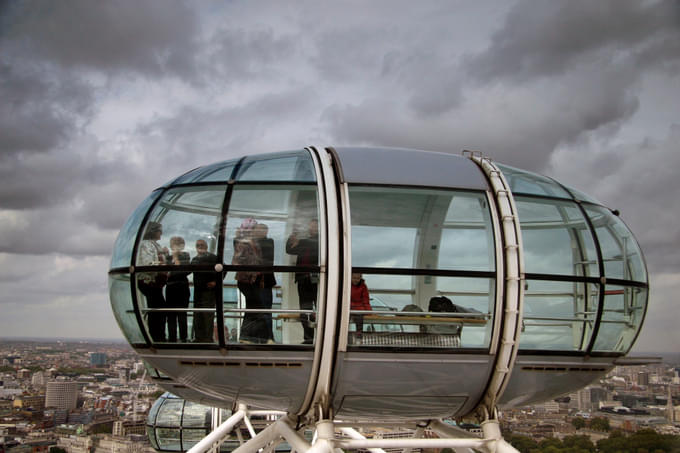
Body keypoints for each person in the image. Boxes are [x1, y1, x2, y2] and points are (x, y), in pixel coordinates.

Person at [286, 219, 319, 344]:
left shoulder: (321, 239)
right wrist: (292, 236)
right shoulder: (304, 240)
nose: (313, 229)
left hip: (317, 279)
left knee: (320, 308)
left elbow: (315, 243)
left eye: (315, 227)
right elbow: (289, 249)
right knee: (305, 310)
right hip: (302, 278)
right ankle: (308, 339)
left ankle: (323, 337)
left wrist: (300, 240)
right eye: (311, 227)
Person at [233, 219, 264, 344]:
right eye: (255, 227)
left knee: (254, 308)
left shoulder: (255, 243)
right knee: (255, 307)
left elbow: (259, 262)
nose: (257, 229)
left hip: (254, 280)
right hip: (246, 280)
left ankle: (250, 337)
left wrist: (260, 277)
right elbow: (236, 261)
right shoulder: (243, 243)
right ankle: (247, 337)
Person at [137, 221, 168, 342]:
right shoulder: (146, 245)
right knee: (158, 309)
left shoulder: (152, 245)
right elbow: (147, 263)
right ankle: (157, 336)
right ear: (153, 231)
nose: (161, 233)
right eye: (159, 230)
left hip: (154, 283)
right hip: (149, 282)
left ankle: (157, 335)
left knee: (158, 309)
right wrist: (162, 264)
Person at [191, 239, 220, 342]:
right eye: (198, 245)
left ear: (206, 246)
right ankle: (199, 337)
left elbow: (222, 269)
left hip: (209, 291)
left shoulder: (213, 257)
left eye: (202, 245)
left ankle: (207, 338)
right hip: (198, 291)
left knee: (207, 315)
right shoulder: (194, 259)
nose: (200, 246)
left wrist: (216, 282)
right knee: (197, 314)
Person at [165, 236, 190, 342]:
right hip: (171, 288)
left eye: (179, 244)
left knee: (182, 314)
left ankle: (184, 337)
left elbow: (181, 271)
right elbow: (167, 273)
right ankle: (172, 337)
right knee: (171, 314)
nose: (176, 247)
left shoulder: (185, 256)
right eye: (174, 244)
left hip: (182, 288)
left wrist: (175, 259)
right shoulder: (167, 258)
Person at [254, 223, 276, 344]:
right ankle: (260, 337)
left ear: (266, 231)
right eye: (256, 230)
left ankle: (268, 337)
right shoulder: (254, 243)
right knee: (257, 310)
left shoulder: (268, 242)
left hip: (264, 282)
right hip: (255, 282)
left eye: (260, 230)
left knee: (266, 310)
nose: (257, 232)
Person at [350, 273, 371, 340]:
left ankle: (359, 334)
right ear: (350, 277)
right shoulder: (346, 284)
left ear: (360, 278)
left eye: (357, 278)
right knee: (344, 316)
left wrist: (369, 311)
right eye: (354, 278)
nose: (356, 280)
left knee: (359, 315)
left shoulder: (363, 286)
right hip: (348, 306)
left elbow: (365, 299)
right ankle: (342, 333)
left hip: (359, 307)